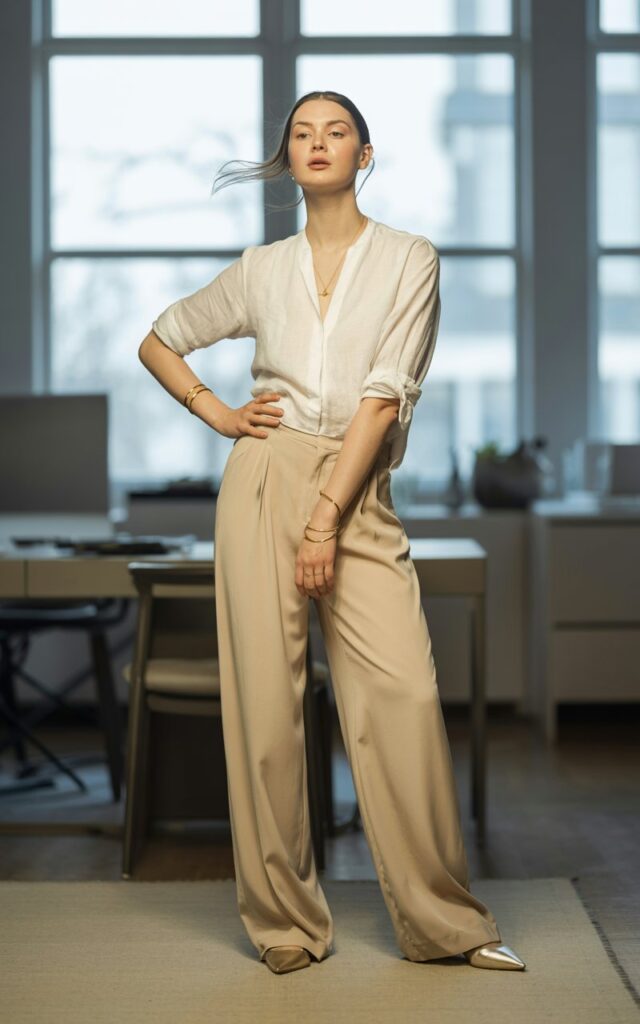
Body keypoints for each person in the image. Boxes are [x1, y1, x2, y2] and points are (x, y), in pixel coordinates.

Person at [139, 90, 526, 977]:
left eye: (336, 132)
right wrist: (219, 414)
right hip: (265, 476)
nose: (317, 145)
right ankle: (285, 926)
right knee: (266, 712)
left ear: (366, 154)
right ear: (288, 159)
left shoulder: (408, 260)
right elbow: (160, 339)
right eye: (301, 135)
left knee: (403, 697)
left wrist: (327, 517)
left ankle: (446, 923)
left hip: (354, 486)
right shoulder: (259, 267)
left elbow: (386, 393)